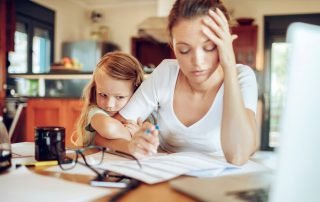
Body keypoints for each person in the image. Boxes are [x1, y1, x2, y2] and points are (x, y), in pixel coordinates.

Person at [96, 0, 258, 165]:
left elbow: (238, 155)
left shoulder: (241, 77)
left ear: (225, 42)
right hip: (164, 177)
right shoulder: (165, 73)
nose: (197, 61)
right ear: (173, 46)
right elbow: (102, 135)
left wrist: (229, 65)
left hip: (216, 181)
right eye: (184, 50)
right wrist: (131, 146)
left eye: (209, 47)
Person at [72, 51, 144, 146]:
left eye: (120, 97)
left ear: (135, 93)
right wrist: (134, 136)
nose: (109, 104)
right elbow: (108, 127)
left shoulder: (138, 114)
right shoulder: (95, 112)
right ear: (95, 89)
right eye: (103, 95)